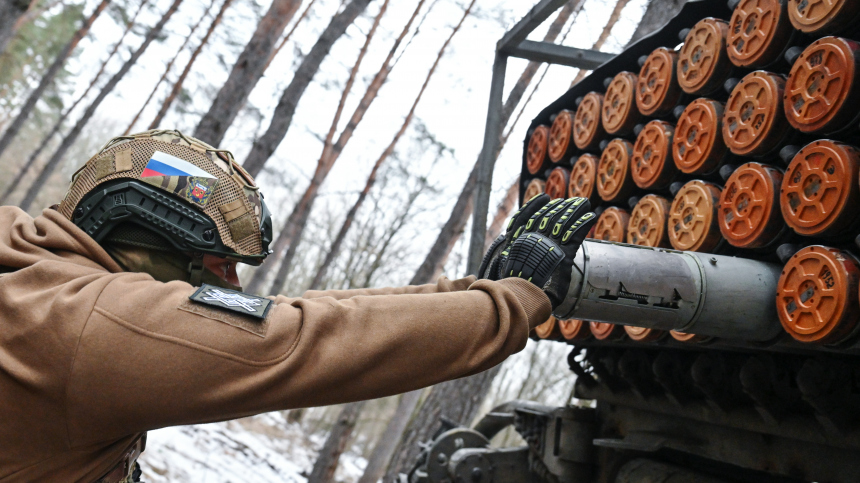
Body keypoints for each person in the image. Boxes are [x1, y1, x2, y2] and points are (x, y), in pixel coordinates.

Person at [0, 129, 595, 482]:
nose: (230, 285)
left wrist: (469, 291)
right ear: (149, 238)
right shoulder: (92, 325)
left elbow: (281, 312)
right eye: (216, 264)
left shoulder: (32, 268)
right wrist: (514, 299)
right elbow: (303, 340)